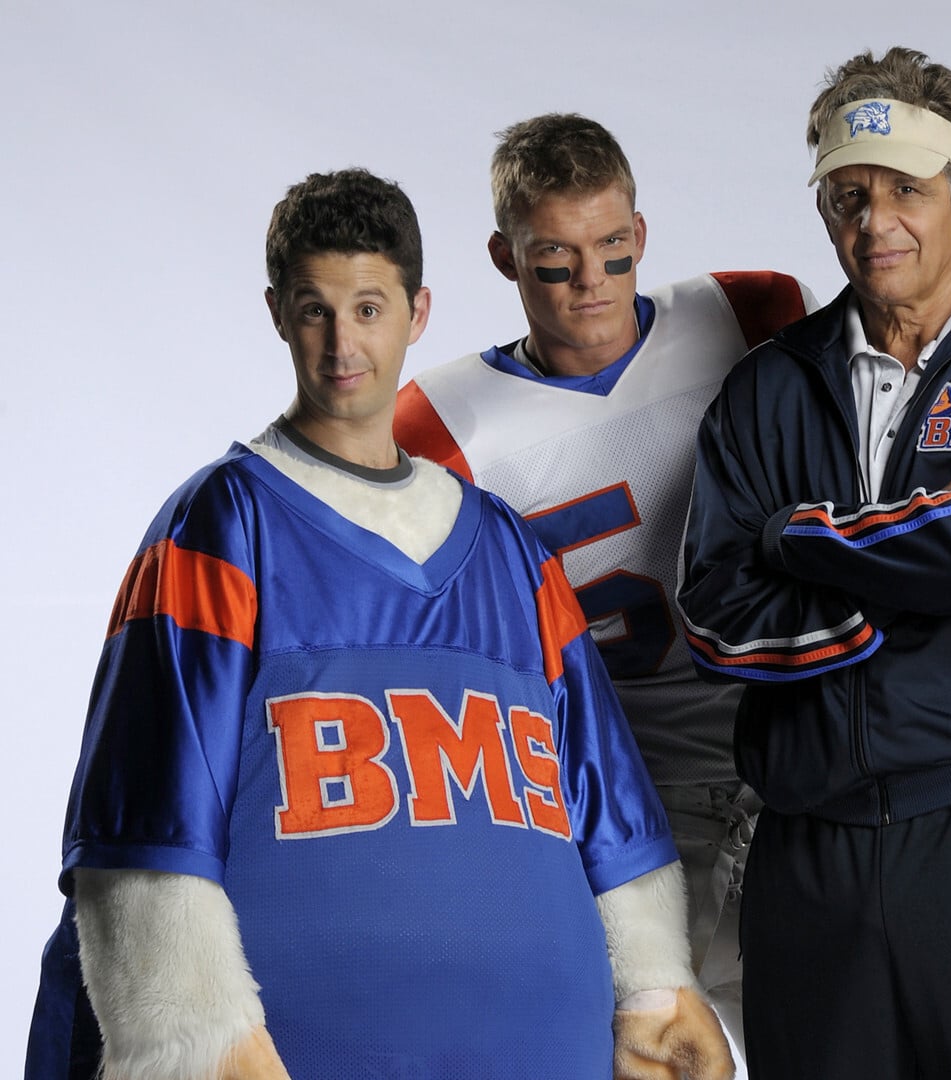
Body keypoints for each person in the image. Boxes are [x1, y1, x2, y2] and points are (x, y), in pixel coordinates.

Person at [26, 169, 731, 1080]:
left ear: (417, 312)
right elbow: (146, 811)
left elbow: (603, 789)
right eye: (314, 311)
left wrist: (656, 986)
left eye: (367, 309)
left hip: (542, 1050)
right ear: (278, 315)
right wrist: (193, 1034)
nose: (342, 344)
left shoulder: (510, 549)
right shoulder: (223, 525)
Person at [677, 45, 951, 1080]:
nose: (875, 222)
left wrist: (799, 537)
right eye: (849, 196)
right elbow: (713, 617)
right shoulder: (766, 386)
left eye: (906, 191)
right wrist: (906, 584)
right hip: (809, 848)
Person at [392, 112, 812, 1050]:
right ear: (505, 257)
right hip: (630, 809)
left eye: (613, 248)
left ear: (642, 233)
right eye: (556, 258)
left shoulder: (753, 313)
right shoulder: (439, 427)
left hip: (795, 762)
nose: (592, 281)